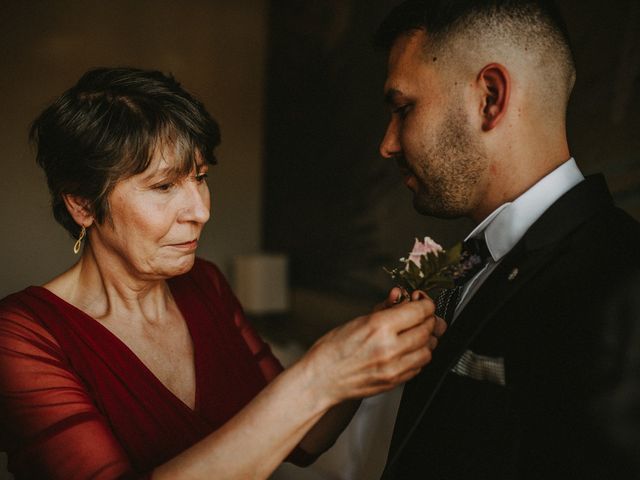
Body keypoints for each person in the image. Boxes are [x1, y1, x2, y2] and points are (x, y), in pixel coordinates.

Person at [0, 67, 446, 480]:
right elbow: (300, 396)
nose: (201, 210)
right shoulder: (21, 336)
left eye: (199, 177)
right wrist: (320, 372)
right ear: (81, 204)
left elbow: (306, 438)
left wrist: (364, 351)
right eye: (163, 186)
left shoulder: (204, 285)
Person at [374, 1, 640, 479]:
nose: (388, 143)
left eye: (403, 108)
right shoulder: (464, 261)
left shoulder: (622, 280)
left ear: (490, 99)